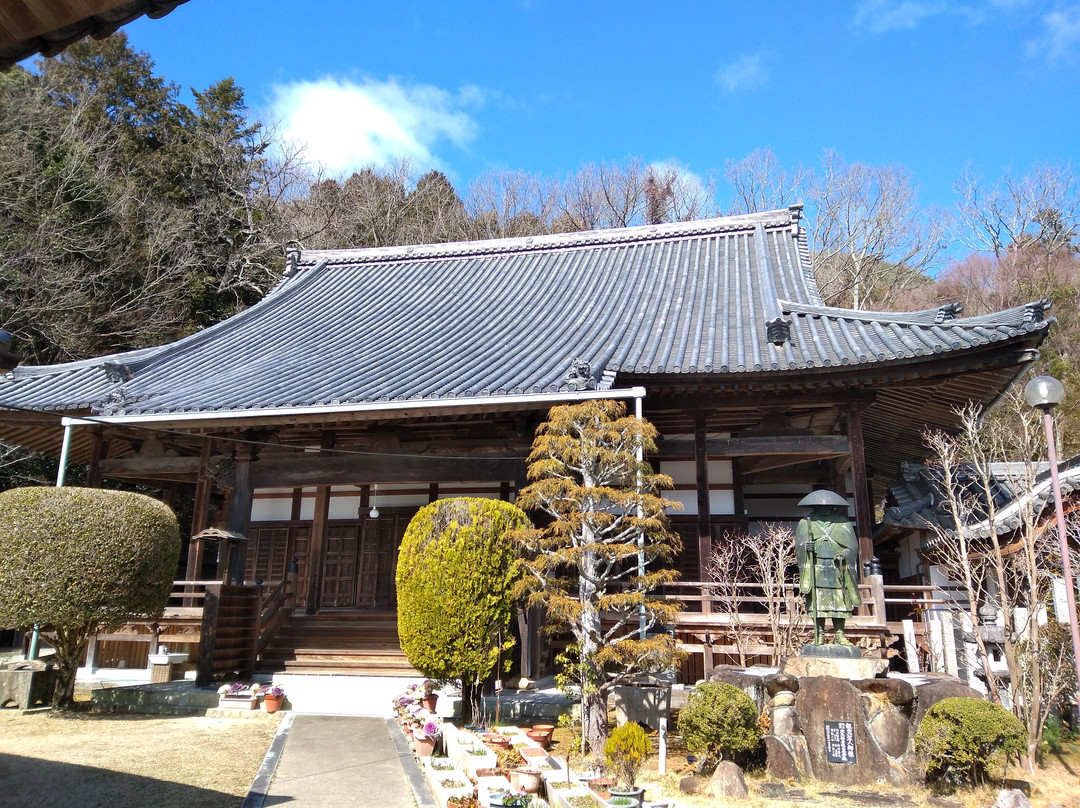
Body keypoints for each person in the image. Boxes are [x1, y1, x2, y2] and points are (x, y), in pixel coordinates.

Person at [795, 490, 861, 646]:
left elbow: (852, 547)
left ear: (834, 507)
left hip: (837, 568)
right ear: (815, 506)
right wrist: (805, 547)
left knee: (840, 601)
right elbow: (799, 546)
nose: (824, 508)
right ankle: (819, 634)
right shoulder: (806, 523)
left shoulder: (842, 523)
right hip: (816, 567)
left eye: (828, 506)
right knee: (817, 601)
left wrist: (844, 555)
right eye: (820, 506)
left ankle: (840, 634)